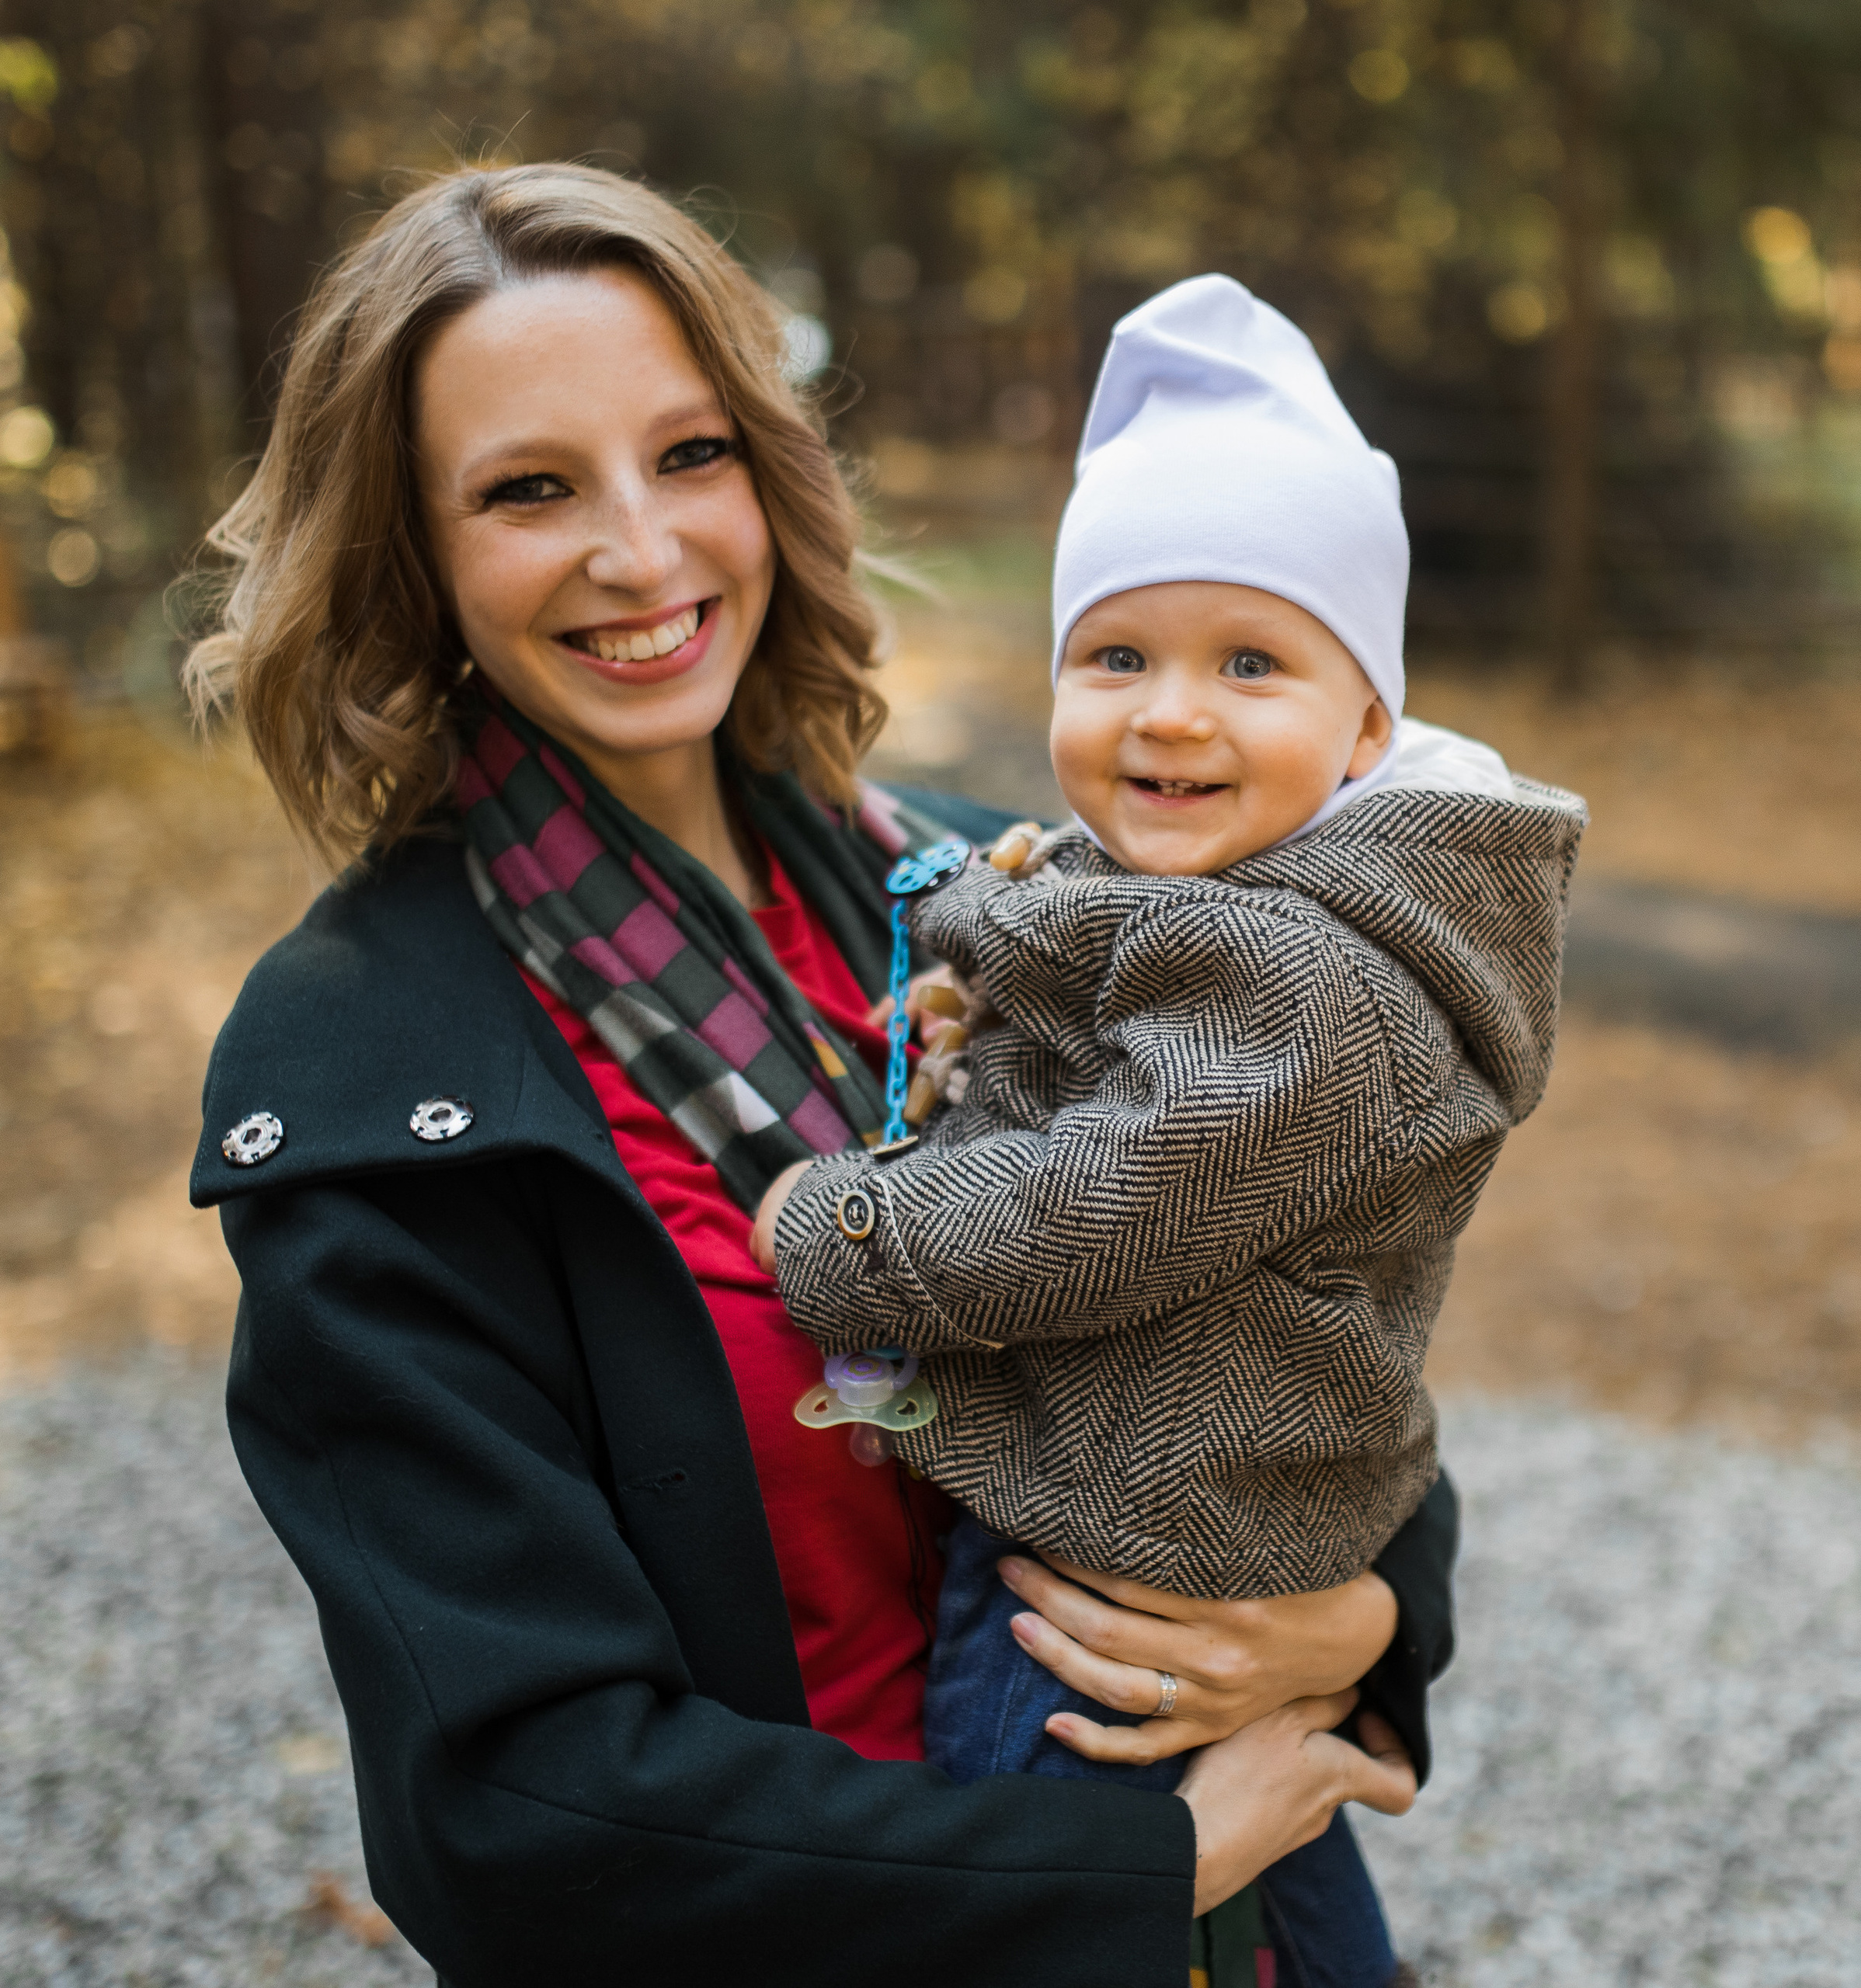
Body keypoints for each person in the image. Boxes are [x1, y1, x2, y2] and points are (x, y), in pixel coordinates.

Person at [184, 169, 1453, 1985]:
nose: (640, 551)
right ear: (414, 553)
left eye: (686, 453)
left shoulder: (994, 898)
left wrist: (1361, 1615)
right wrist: (1120, 1857)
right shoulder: (375, 1082)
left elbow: (1324, 1324)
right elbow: (519, 1811)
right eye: (529, 487)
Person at [754, 276, 1585, 1986]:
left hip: (1122, 1567)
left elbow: (1102, 1201)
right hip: (1201, 1526)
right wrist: (989, 1021)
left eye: (1249, 662)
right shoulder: (1211, 903)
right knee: (1279, 1889)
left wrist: (842, 1230)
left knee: (1055, 1871)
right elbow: (1099, 1024)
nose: (1169, 712)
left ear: (1364, 730)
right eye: (1114, 654)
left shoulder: (1302, 976)